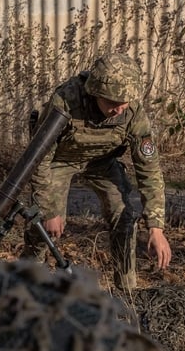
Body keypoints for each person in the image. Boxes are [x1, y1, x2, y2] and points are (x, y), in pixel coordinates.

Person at [21, 53, 171, 291]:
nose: (118, 109)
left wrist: (156, 227)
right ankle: (28, 283)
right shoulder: (66, 100)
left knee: (124, 216)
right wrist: (49, 210)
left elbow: (150, 170)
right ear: (95, 93)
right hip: (59, 161)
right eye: (111, 102)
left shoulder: (132, 113)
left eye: (123, 102)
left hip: (103, 163)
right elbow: (39, 158)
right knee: (42, 226)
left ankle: (126, 289)